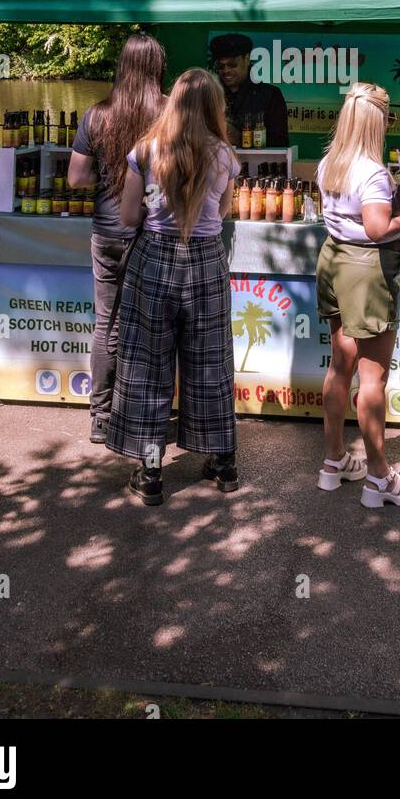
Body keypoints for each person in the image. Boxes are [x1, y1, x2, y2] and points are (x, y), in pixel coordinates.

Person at [109, 68, 240, 506]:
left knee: (149, 367)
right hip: (204, 261)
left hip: (154, 260)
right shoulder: (224, 155)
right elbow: (221, 212)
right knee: (211, 364)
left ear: (173, 104)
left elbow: (128, 218)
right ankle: (223, 463)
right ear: (213, 107)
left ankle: (150, 473)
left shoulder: (145, 151)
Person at [315, 82, 400, 508]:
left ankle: (333, 461)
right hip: (366, 269)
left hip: (333, 261)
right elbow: (378, 230)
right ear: (378, 122)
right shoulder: (374, 173)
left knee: (340, 365)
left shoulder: (330, 163)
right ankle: (380, 478)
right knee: (373, 377)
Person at [67, 33, 165, 444]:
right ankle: (138, 413)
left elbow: (76, 178)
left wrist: (108, 180)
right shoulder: (165, 113)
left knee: (106, 324)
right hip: (152, 232)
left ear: (121, 67)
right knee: (149, 326)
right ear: (156, 69)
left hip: (107, 231)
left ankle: (101, 415)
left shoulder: (97, 114)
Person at [208, 32, 288, 147]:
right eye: (221, 66)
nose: (226, 71)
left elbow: (281, 142)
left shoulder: (270, 95)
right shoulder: (210, 96)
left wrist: (241, 137)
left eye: (232, 65)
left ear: (247, 59)